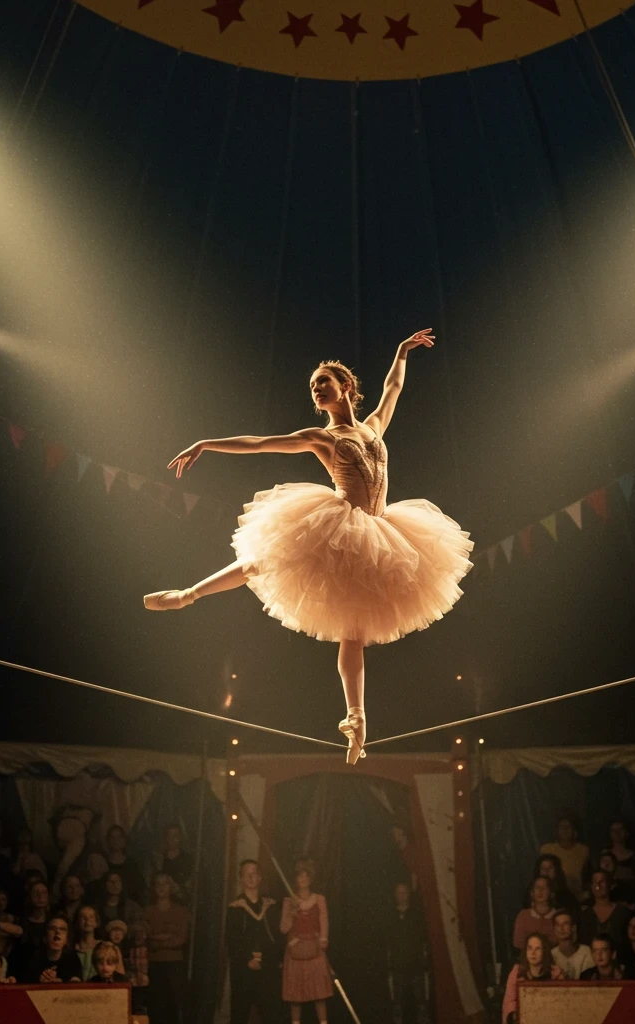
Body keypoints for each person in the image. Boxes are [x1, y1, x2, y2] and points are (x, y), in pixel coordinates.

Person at [144, 334, 474, 765]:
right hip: (341, 523)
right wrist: (207, 443)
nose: (317, 389)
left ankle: (356, 719)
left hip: (384, 531)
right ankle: (188, 595)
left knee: (353, 631)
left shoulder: (373, 426)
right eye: (314, 386)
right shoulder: (321, 437)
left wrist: (400, 352)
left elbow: (393, 388)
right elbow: (261, 443)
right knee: (265, 560)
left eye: (324, 382)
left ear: (346, 388)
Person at [226, 860, 283, 1024]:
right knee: (240, 1012)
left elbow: (275, 936)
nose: (252, 877)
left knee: (270, 1012)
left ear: (260, 878)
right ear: (241, 878)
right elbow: (232, 939)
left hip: (267, 967)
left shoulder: (269, 906)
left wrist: (274, 959)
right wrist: (246, 959)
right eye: (247, 874)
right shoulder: (235, 908)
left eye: (255, 873)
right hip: (244, 969)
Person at [280, 860, 332, 1024]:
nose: (303, 879)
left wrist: (323, 940)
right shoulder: (289, 901)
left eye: (306, 875)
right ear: (295, 879)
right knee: (296, 996)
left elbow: (324, 921)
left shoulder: (319, 900)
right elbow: (283, 929)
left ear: (310, 879)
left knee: (319, 994)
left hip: (315, 950)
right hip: (295, 952)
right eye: (299, 876)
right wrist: (291, 912)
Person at [145, 871, 192, 1024]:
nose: (161, 887)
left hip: (174, 964)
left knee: (174, 1004)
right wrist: (167, 935)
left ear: (171, 887)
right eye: (158, 883)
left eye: (165, 883)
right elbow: (145, 936)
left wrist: (156, 939)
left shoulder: (181, 911)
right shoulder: (147, 911)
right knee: (155, 1004)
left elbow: (181, 939)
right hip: (153, 964)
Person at [386, 882, 429, 1024]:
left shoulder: (416, 914)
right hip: (397, 964)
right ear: (395, 895)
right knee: (397, 1003)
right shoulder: (390, 916)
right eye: (399, 892)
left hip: (416, 963)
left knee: (421, 1002)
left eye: (404, 892)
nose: (402, 895)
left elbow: (422, 937)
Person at [501, 933, 563, 1024]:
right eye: (529, 948)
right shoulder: (516, 973)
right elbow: (509, 1001)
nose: (532, 953)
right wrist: (515, 1014)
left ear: (544, 951)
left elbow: (562, 1004)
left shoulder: (556, 974)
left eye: (537, 949)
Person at [539, 816, 590, 901]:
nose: (565, 830)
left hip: (577, 897)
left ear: (575, 831)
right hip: (553, 897)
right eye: (562, 827)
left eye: (568, 827)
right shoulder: (547, 849)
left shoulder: (584, 850)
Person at [20, 915, 83, 983]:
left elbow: (76, 981)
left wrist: (58, 982)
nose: (57, 932)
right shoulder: (32, 958)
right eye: (52, 928)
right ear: (44, 937)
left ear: (66, 940)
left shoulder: (73, 959)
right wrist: (39, 980)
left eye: (62, 929)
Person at [579, 870, 631, 951]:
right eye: (595, 882)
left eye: (601, 881)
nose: (598, 885)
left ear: (610, 885)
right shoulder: (586, 915)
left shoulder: (622, 912)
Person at [512, 876, 557, 953]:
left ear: (551, 892)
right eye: (537, 887)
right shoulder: (523, 915)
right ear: (532, 893)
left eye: (544, 887)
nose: (540, 891)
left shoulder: (558, 915)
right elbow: (518, 943)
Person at [149, 824, 195, 899]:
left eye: (175, 836)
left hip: (180, 901)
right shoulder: (158, 859)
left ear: (180, 838)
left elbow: (190, 885)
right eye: (169, 835)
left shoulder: (188, 859)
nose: (172, 839)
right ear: (166, 838)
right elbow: (152, 881)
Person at [104, 825, 145, 904]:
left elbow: (138, 888)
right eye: (112, 838)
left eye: (119, 837)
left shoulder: (132, 864)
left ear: (124, 840)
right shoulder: (102, 863)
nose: (115, 841)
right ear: (108, 840)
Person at [550, 910, 593, 979]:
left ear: (573, 927)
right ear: (554, 929)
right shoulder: (551, 954)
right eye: (558, 925)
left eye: (565, 924)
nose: (561, 928)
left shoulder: (585, 951)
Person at [533, 854, 579, 919]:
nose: (546, 871)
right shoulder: (532, 892)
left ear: (556, 870)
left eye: (550, 868)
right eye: (543, 868)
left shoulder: (566, 895)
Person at [73, 905, 101, 981]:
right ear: (76, 922)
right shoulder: (71, 950)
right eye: (83, 917)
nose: (87, 920)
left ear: (96, 922)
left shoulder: (105, 947)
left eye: (91, 917)